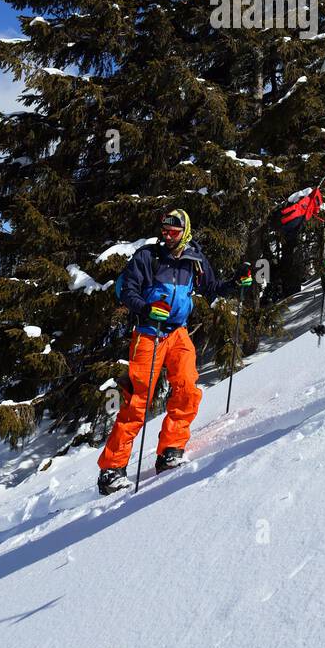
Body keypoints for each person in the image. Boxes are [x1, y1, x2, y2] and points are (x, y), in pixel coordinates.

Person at [97, 209, 250, 494]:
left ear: (186, 232)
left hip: (177, 333)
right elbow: (127, 291)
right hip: (148, 334)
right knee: (136, 401)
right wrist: (146, 308)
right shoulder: (148, 257)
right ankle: (112, 470)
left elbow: (212, 288)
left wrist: (235, 284)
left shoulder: (195, 259)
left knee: (187, 389)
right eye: (165, 231)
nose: (167, 237)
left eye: (174, 232)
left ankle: (170, 451)